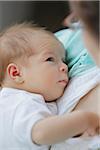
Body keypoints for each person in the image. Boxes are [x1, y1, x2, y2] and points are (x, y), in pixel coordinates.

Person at [0, 23, 99, 150]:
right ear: (16, 73)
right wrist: (85, 119)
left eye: (63, 60)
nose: (65, 67)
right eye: (50, 59)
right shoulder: (17, 102)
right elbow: (41, 133)